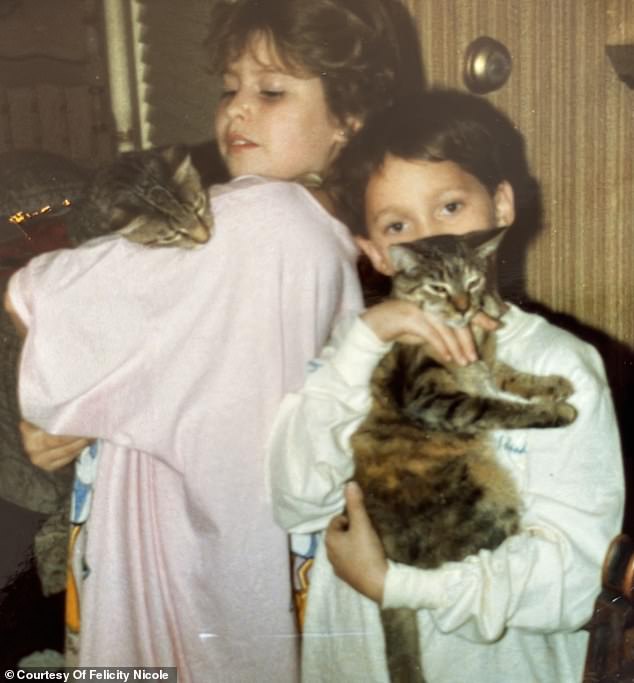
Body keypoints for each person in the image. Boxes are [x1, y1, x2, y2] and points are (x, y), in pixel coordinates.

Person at [3, 1, 429, 680]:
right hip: (267, 565)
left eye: (271, 91)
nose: (237, 110)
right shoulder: (329, 233)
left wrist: (73, 398)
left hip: (186, 560)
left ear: (349, 117)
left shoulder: (256, 215)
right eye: (230, 88)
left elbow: (37, 291)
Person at [267, 89, 625, 682]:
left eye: (451, 207)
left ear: (502, 207)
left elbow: (575, 582)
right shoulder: (349, 358)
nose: (431, 237)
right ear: (377, 253)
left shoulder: (561, 365)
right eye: (399, 224)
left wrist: (398, 585)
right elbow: (293, 500)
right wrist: (362, 344)